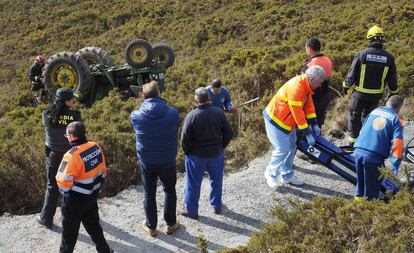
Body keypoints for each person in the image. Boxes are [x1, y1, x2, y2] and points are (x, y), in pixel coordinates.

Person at [130, 81, 181, 237]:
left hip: (147, 162)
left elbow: (135, 129)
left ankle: (151, 226)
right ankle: (171, 224)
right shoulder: (173, 113)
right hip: (167, 160)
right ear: (159, 94)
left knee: (149, 193)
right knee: (170, 190)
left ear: (143, 96)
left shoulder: (136, 115)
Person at [263, 65, 326, 187]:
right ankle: (270, 174)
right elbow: (297, 111)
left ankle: (286, 175)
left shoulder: (306, 86)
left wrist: (314, 122)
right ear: (312, 79)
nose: (320, 85)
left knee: (292, 146)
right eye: (319, 82)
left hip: (287, 122)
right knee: (283, 149)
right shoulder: (296, 88)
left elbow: (308, 105)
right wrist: (307, 133)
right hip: (275, 120)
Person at [56, 121, 113, 253]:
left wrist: (67, 194)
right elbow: (103, 171)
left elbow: (62, 182)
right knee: (95, 228)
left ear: (72, 137)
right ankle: (105, 251)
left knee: (69, 236)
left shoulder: (71, 156)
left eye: (67, 136)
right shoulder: (95, 146)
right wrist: (94, 188)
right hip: (91, 197)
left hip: (74, 202)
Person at [181, 87, 234, 219]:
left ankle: (192, 211)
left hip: (196, 156)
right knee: (216, 180)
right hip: (216, 154)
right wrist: (221, 146)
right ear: (209, 99)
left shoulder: (191, 116)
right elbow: (229, 133)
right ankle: (216, 206)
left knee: (193, 183)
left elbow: (184, 139)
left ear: (196, 100)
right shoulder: (219, 113)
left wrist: (188, 153)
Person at [342, 25, 398, 146]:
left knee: (354, 115)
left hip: (359, 94)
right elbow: (392, 80)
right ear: (381, 39)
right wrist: (393, 93)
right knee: (368, 118)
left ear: (370, 39)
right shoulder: (389, 58)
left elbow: (351, 74)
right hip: (376, 96)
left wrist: (345, 86)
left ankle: (352, 142)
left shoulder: (362, 54)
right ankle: (365, 141)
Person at [37, 88, 82, 229]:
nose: (74, 101)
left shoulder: (46, 114)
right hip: (71, 157)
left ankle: (46, 218)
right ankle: (73, 215)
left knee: (52, 186)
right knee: (72, 186)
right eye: (72, 99)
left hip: (53, 156)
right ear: (66, 101)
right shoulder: (76, 115)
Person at [354, 95, 404, 200]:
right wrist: (395, 165)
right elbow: (397, 144)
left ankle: (355, 208)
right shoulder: (396, 120)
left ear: (387, 102)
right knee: (372, 190)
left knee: (360, 186)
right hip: (373, 157)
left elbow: (362, 130)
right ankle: (367, 212)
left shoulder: (374, 112)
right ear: (399, 108)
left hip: (358, 151)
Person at [300, 38, 334, 127]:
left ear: (309, 49)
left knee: (309, 123)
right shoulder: (328, 60)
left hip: (313, 100)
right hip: (325, 97)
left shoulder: (309, 65)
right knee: (319, 122)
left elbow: (303, 85)